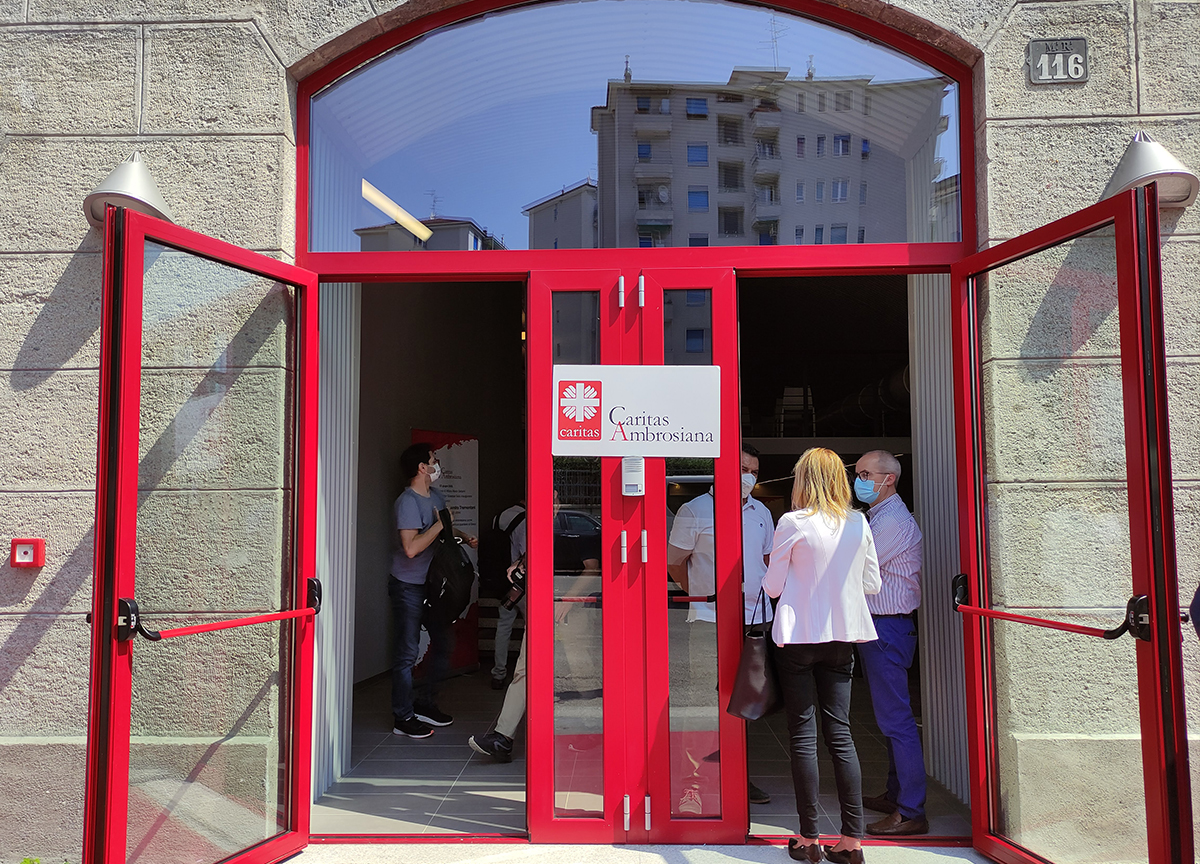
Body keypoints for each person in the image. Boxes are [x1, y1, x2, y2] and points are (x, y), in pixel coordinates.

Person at [763, 447, 881, 864]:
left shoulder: (792, 522)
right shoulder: (858, 521)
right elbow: (872, 583)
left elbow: (773, 587)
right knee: (841, 735)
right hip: (842, 638)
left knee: (803, 736)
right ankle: (852, 842)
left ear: (802, 480)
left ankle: (808, 838)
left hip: (798, 637)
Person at [666, 445, 776, 812]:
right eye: (743, 467)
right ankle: (692, 784)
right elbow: (674, 562)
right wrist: (698, 594)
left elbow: (766, 563)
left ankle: (735, 775)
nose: (749, 476)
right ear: (722, 468)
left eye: (755, 471)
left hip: (755, 622)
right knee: (702, 703)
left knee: (745, 703)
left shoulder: (761, 513)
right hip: (711, 621)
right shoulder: (695, 510)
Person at [469, 491, 601, 762]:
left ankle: (590, 730)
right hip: (541, 610)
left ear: (558, 503)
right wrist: (518, 565)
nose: (547, 504)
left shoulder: (573, 530)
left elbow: (593, 569)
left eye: (551, 499)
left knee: (580, 671)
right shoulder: (538, 531)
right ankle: (503, 737)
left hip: (570, 611)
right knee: (524, 671)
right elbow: (533, 561)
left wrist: (569, 599)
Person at [852, 449, 928, 836]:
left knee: (897, 721)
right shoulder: (878, 516)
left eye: (867, 474)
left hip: (888, 627)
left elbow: (855, 565)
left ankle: (911, 810)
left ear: (889, 479)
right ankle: (896, 793)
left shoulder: (893, 521)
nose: (860, 480)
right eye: (859, 473)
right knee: (889, 718)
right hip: (879, 627)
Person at [390, 441, 478, 739]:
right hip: (409, 586)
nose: (436, 462)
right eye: (432, 459)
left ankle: (425, 704)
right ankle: (402, 717)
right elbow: (411, 548)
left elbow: (445, 529)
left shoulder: (436, 496)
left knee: (443, 645)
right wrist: (441, 525)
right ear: (421, 468)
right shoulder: (407, 503)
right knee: (407, 652)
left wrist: (464, 537)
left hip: (434, 587)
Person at [490, 500, 527, 689]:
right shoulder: (526, 520)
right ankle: (528, 672)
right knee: (532, 628)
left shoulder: (499, 517)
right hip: (520, 583)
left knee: (503, 626)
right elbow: (526, 552)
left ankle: (498, 673)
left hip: (500, 581)